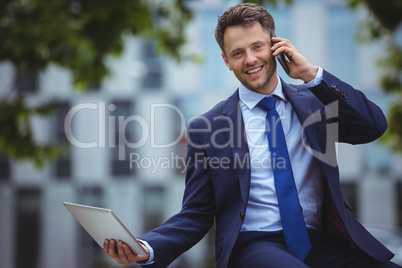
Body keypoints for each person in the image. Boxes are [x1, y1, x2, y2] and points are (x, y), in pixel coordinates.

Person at [104, 3, 400, 268]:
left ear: (275, 45)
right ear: (226, 61)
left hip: (319, 242)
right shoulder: (207, 128)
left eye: (257, 47)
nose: (249, 59)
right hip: (255, 246)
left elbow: (371, 126)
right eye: (237, 53)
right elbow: (196, 212)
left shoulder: (314, 102)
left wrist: (312, 75)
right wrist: (147, 247)